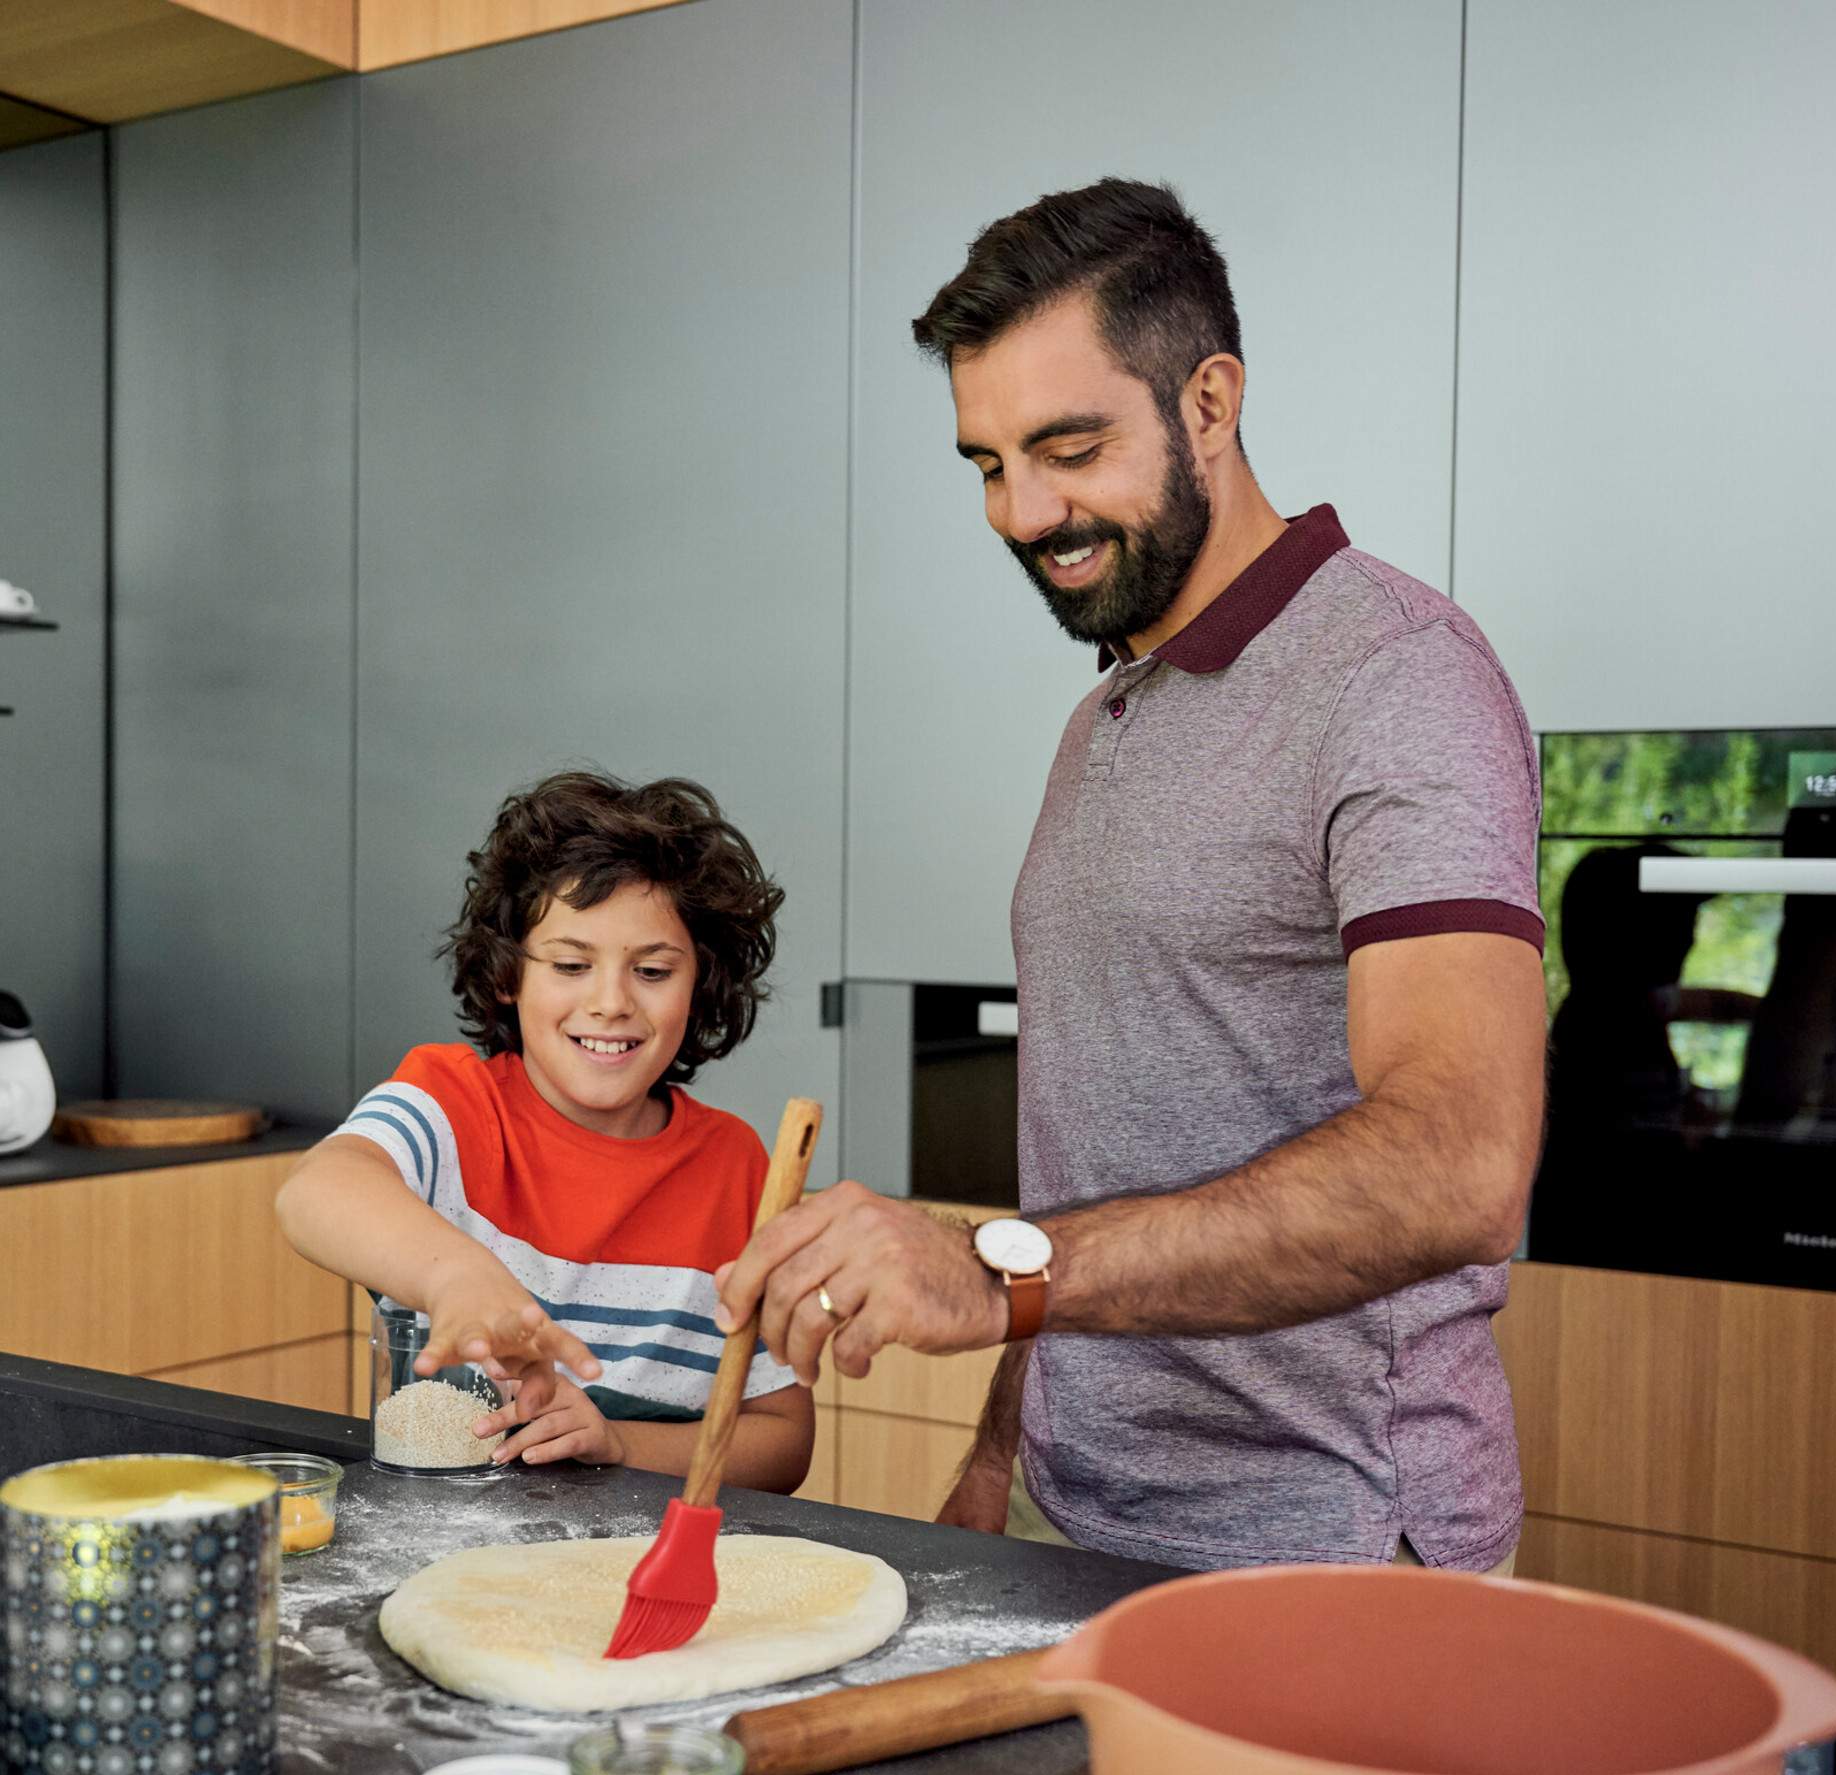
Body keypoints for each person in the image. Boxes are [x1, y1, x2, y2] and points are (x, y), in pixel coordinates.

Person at [716, 179, 1546, 1572]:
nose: (1022, 511)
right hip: (1072, 1517)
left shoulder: (1398, 677)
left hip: (1326, 1547)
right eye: (986, 463)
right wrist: (999, 1453)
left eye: (1069, 447)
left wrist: (984, 1274)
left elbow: (1462, 1167)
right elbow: (1095, 1158)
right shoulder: (1104, 719)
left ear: (1209, 404)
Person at [277, 770, 813, 1491]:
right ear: (508, 976)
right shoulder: (454, 1103)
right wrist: (461, 1281)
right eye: (569, 965)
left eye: (652, 970)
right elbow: (314, 1192)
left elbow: (782, 1443)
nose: (611, 1003)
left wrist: (617, 1441)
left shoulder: (737, 1167)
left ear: (703, 985)